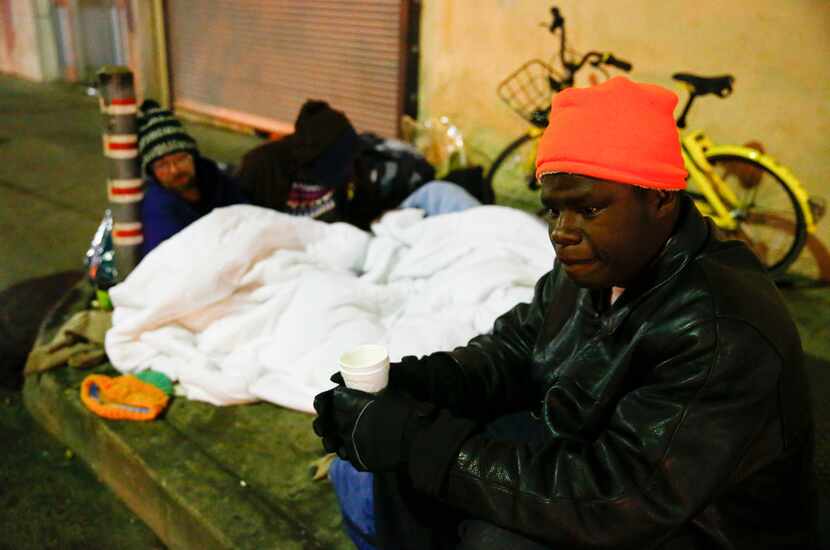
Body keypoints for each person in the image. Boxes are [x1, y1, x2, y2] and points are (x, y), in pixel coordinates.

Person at [312, 77, 818, 549]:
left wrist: (421, 442)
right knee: (397, 461)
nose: (562, 231)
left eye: (590, 209)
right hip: (592, 457)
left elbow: (619, 498)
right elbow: (514, 349)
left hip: (694, 527)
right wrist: (418, 384)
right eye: (554, 210)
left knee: (491, 533)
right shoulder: (596, 266)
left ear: (661, 200)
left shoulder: (718, 329)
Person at [236, 100, 481, 229]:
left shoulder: (360, 170)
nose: (347, 171)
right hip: (299, 255)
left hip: (357, 243)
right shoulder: (263, 167)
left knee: (442, 194)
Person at [137, 100, 248, 256]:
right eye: (162, 165)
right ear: (152, 172)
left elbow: (247, 218)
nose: (175, 170)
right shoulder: (158, 207)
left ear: (193, 157)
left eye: (180, 158)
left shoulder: (217, 181)